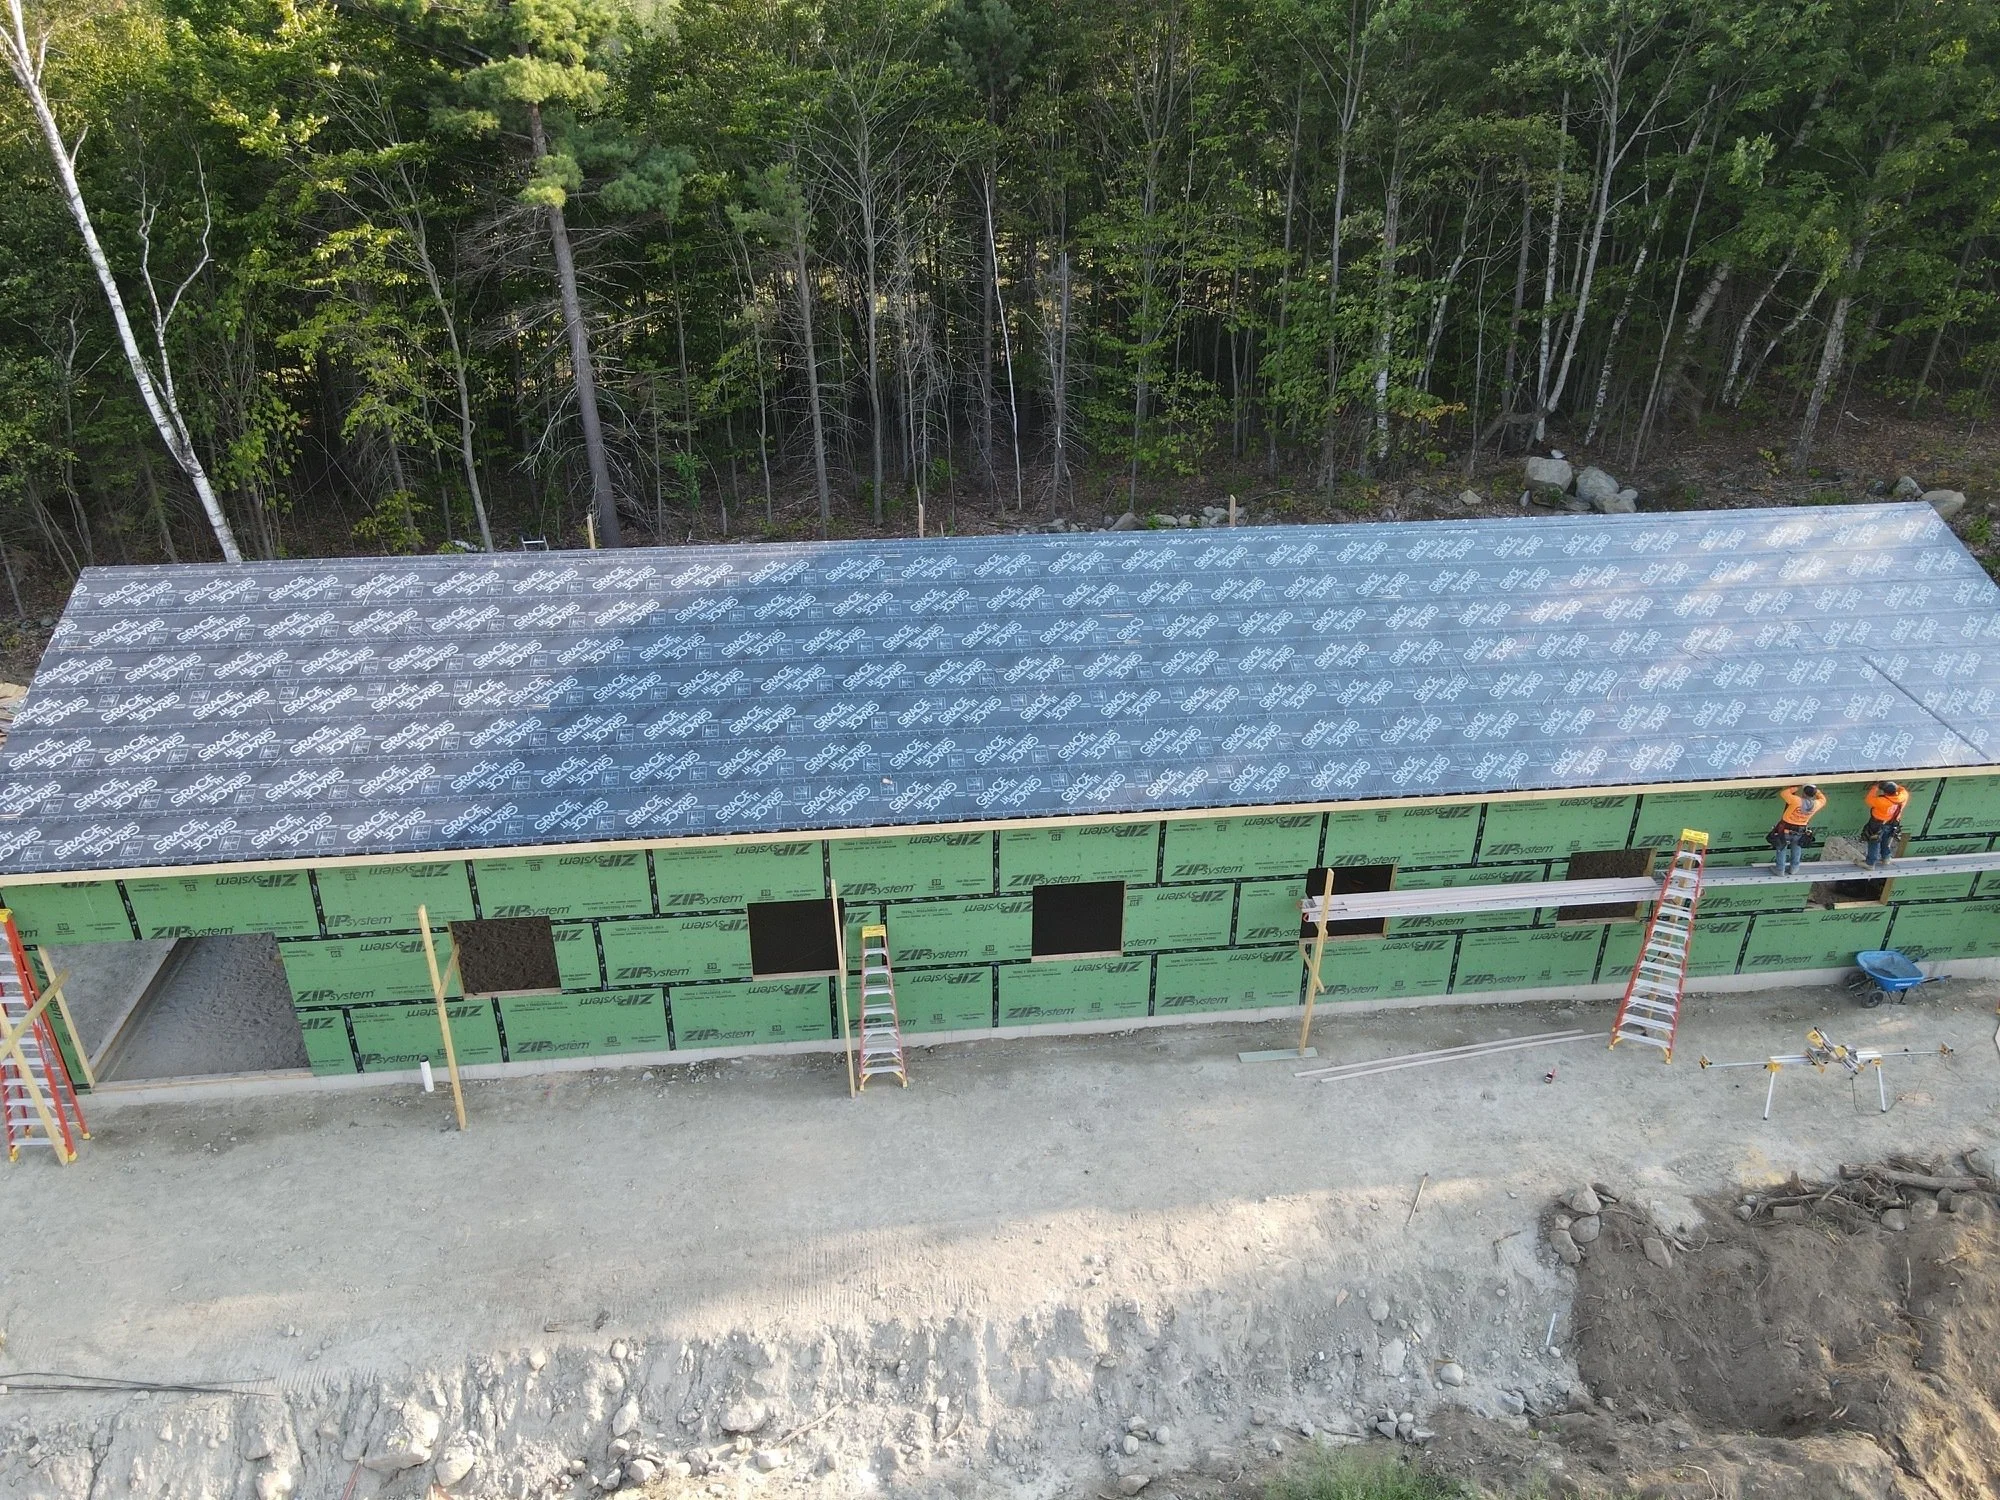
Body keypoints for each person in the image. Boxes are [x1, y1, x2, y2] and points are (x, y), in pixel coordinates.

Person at [1769, 784, 1822, 875]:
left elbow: (1784, 793)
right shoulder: (1816, 804)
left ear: (1804, 793)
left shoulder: (1796, 800)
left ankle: (1780, 870)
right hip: (1800, 830)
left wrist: (1797, 787)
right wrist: (1816, 791)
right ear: (1813, 795)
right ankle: (1794, 868)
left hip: (1786, 829)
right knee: (1797, 848)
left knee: (1781, 847)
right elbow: (1823, 799)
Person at [1861, 780, 1911, 869]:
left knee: (1874, 841)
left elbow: (1869, 799)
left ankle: (1870, 863)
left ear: (1885, 792)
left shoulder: (1882, 801)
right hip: (1892, 823)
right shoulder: (1903, 796)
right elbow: (1901, 789)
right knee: (1885, 840)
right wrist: (1892, 785)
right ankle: (1886, 858)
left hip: (1878, 824)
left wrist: (1875, 787)